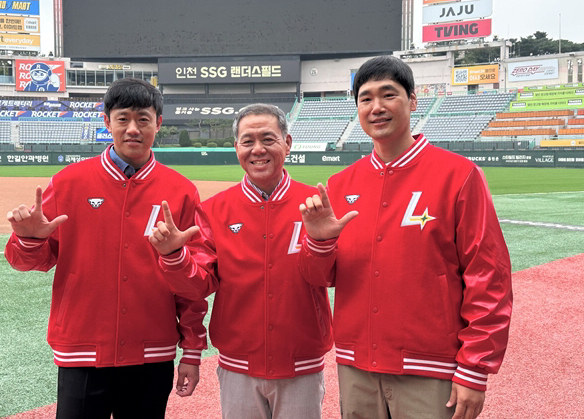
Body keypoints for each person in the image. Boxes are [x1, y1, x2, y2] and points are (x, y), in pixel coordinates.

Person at [298, 56, 513, 419]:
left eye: (388, 95)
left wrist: (475, 368)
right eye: (365, 99)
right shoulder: (340, 184)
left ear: (413, 101)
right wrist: (319, 244)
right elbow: (320, 279)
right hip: (356, 367)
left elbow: (489, 276)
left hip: (430, 369)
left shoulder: (459, 175)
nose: (376, 107)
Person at [4, 78, 208, 419]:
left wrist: (191, 349)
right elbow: (28, 263)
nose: (132, 128)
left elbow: (194, 285)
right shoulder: (69, 182)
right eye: (123, 118)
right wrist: (29, 239)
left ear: (158, 123)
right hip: (82, 349)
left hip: (151, 352)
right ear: (106, 121)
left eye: (143, 119)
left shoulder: (181, 190)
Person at [148, 104, 335, 419]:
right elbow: (197, 286)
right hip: (238, 364)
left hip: (301, 362)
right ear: (236, 147)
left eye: (268, 139)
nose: (258, 149)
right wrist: (174, 256)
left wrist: (321, 240)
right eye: (248, 141)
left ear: (287, 143)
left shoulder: (315, 207)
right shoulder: (214, 209)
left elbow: (328, 277)